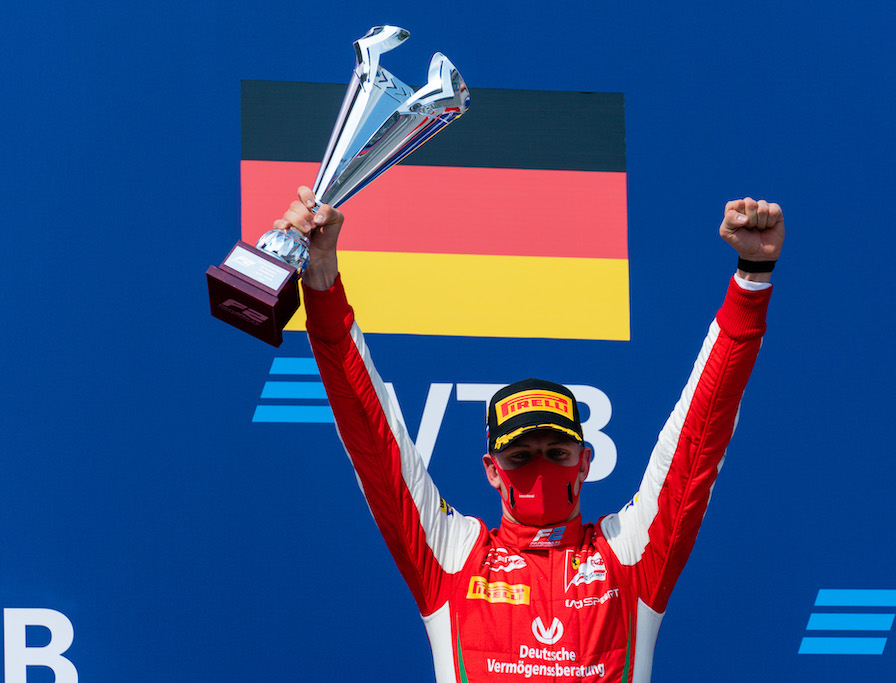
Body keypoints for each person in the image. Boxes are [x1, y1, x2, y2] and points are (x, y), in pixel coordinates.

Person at [277, 187, 783, 682]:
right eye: (520, 456)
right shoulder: (454, 556)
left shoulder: (627, 555)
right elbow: (371, 436)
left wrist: (752, 278)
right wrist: (320, 278)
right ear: (492, 470)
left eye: (557, 452)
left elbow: (699, 434)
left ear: (585, 461)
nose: (540, 468)